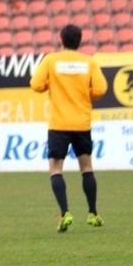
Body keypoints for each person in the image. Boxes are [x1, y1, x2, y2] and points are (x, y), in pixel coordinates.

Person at [30, 24, 108, 232]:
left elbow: (36, 84)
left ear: (62, 40)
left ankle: (65, 213)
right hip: (81, 122)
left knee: (56, 169)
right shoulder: (89, 62)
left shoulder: (51, 60)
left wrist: (52, 86)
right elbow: (100, 89)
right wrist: (85, 94)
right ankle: (93, 213)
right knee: (87, 168)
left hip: (59, 124)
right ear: (80, 41)